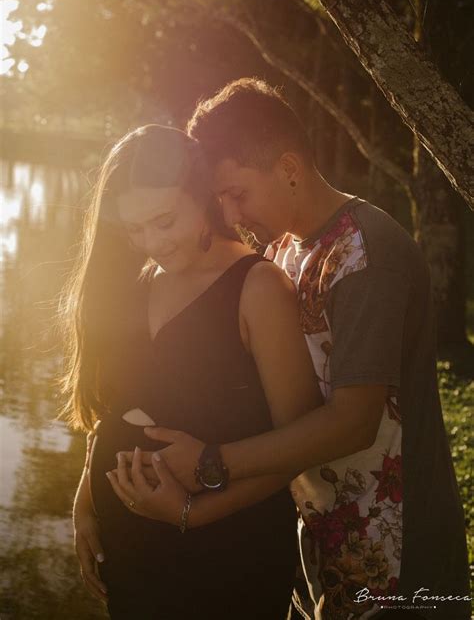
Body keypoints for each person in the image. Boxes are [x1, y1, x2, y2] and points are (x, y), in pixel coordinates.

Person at [132, 80, 470, 620]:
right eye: (220, 198)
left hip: (400, 566)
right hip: (320, 548)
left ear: (289, 167)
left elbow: (354, 422)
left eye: (237, 193)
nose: (231, 212)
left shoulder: (366, 253)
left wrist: (213, 463)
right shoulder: (283, 250)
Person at [62, 124, 321, 619]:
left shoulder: (258, 287)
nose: (151, 243)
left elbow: (298, 445)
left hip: (227, 551)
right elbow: (116, 408)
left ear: (204, 198)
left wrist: (191, 513)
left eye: (164, 221)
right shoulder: (138, 283)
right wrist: (85, 503)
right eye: (135, 229)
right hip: (130, 545)